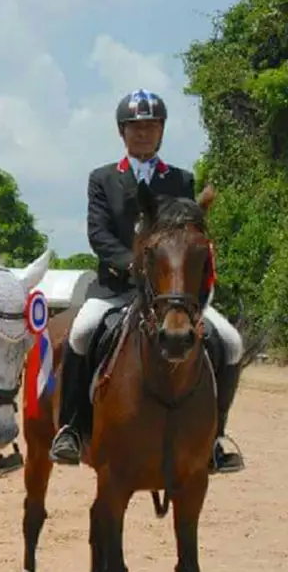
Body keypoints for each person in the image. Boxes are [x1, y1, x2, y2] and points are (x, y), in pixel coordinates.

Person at [49, 88, 245, 474]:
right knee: (81, 333)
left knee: (231, 341)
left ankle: (216, 436)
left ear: (162, 131)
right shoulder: (103, 178)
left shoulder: (181, 179)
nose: (144, 134)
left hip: (172, 293)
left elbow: (188, 233)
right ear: (122, 132)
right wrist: (132, 266)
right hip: (116, 287)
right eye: (136, 127)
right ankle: (71, 428)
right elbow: (99, 233)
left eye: (152, 126)